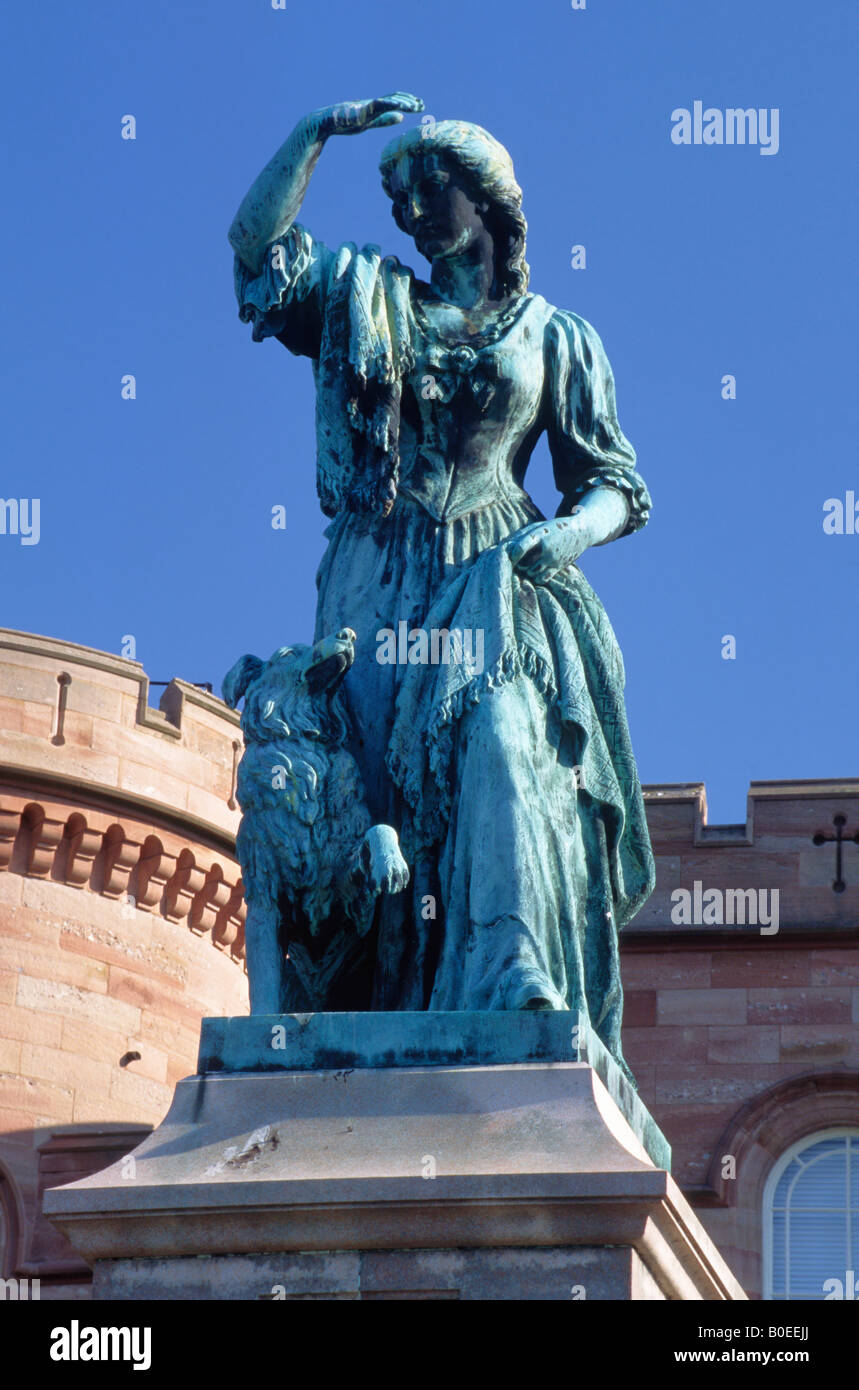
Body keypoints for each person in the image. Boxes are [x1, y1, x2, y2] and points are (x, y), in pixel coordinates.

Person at [228, 94, 655, 1076]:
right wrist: (315, 133)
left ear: (485, 197)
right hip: (375, 574)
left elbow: (616, 485)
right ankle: (376, 1021)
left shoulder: (556, 335)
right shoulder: (361, 294)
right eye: (399, 194)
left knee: (503, 740)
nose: (412, 209)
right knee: (373, 802)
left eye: (429, 186)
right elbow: (256, 248)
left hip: (502, 570)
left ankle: (510, 976)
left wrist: (563, 533)